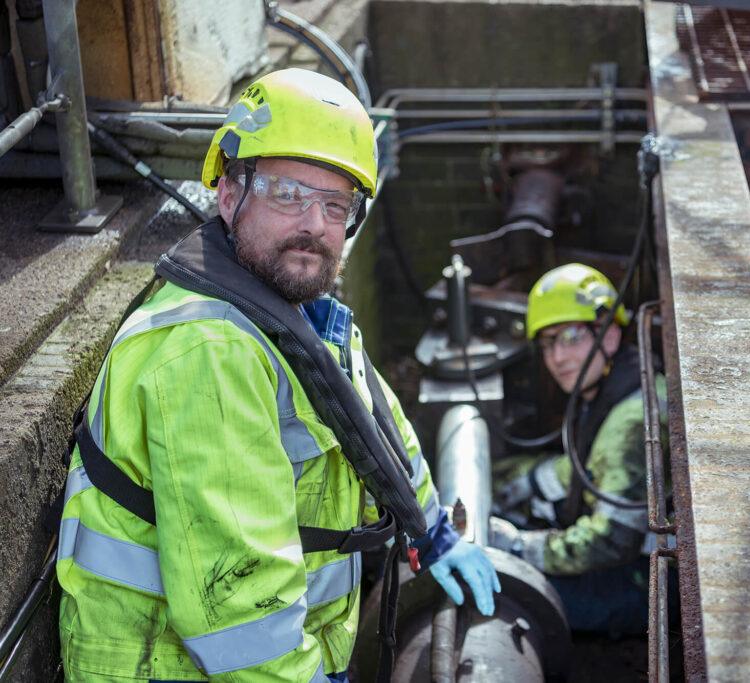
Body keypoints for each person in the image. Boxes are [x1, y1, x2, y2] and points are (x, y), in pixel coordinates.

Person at [55, 68, 499, 683]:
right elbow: (236, 603)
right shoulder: (207, 353)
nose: (314, 223)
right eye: (288, 193)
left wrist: (431, 529)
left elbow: (375, 423)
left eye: (335, 202)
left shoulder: (301, 317)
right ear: (229, 194)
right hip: (171, 665)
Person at [489, 263, 669, 636]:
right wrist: (521, 480)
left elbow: (612, 540)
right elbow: (588, 468)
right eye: (549, 342)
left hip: (649, 581)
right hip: (638, 558)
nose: (557, 357)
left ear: (610, 334)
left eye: (571, 336)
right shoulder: (617, 388)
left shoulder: (631, 423)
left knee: (509, 591)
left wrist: (521, 549)